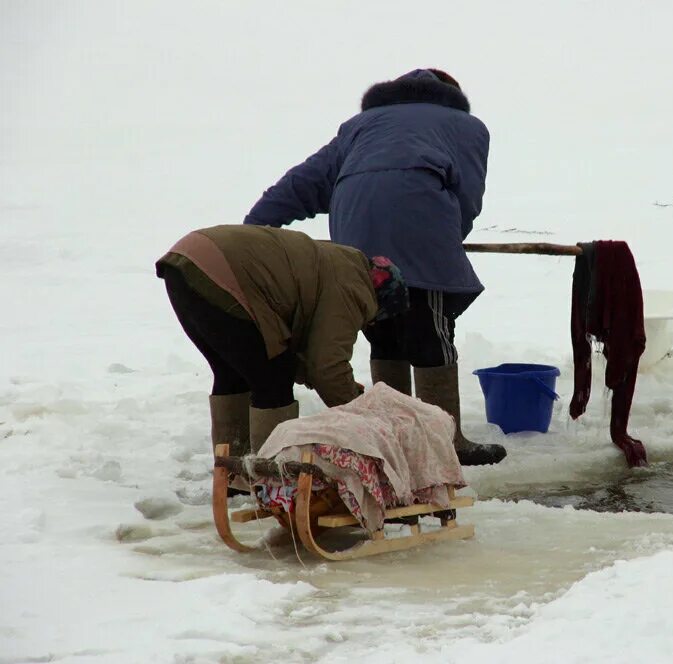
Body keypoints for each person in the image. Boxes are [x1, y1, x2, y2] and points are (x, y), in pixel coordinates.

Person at [243, 68, 506, 466]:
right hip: (421, 224)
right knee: (431, 333)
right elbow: (467, 194)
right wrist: (449, 237)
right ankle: (447, 440)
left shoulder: (360, 127)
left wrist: (257, 228)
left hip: (355, 244)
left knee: (383, 327)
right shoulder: (466, 126)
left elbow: (307, 181)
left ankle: (395, 434)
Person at [155, 224, 408, 456]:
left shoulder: (338, 260)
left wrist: (335, 384)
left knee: (234, 374)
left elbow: (301, 349)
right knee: (273, 379)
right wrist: (361, 415)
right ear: (380, 302)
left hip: (186, 262)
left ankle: (232, 474)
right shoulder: (355, 287)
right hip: (223, 273)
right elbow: (326, 367)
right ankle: (271, 479)